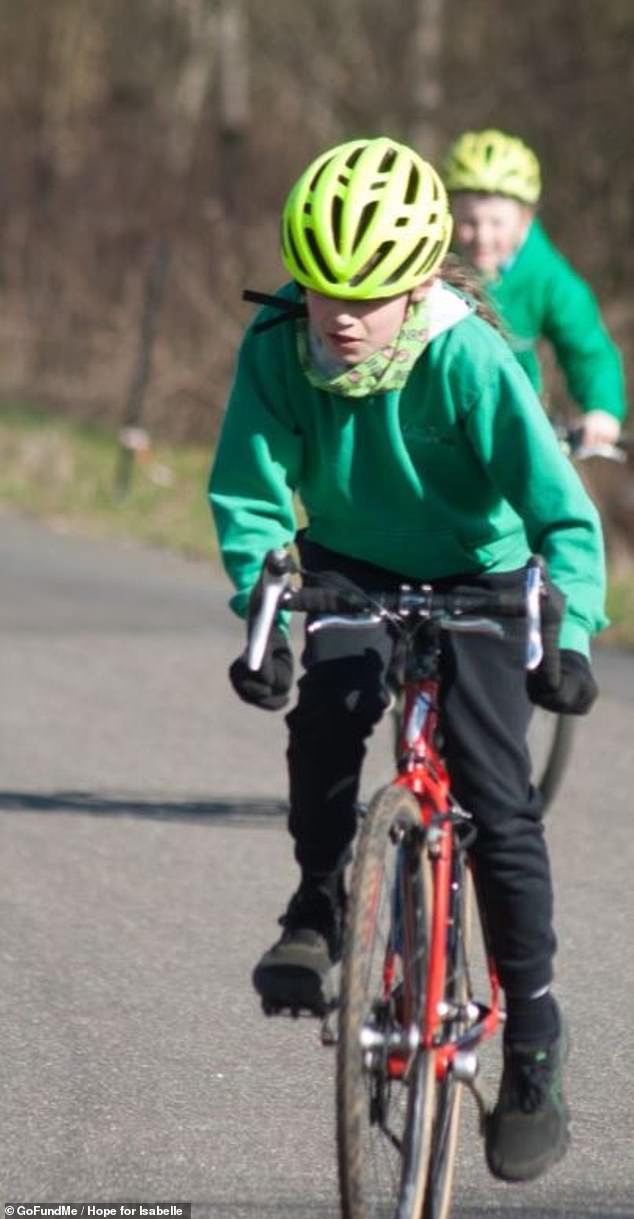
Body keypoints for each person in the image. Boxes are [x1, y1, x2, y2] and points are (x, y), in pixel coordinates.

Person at [209, 136, 606, 1184]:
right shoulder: (278, 343)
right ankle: (320, 903)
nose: (342, 312)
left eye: (371, 292)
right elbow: (251, 498)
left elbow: (563, 517)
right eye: (323, 285)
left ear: (420, 278)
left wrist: (566, 638)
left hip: (481, 569)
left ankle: (532, 1044)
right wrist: (267, 618)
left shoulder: (466, 355)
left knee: (495, 792)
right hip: (349, 559)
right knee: (329, 709)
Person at [442, 128, 628, 447]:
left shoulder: (547, 277)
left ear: (525, 220)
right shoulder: (434, 256)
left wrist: (602, 409)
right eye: (470, 223)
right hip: (438, 414)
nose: (482, 237)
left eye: (496, 223)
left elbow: (586, 348)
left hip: (512, 421)